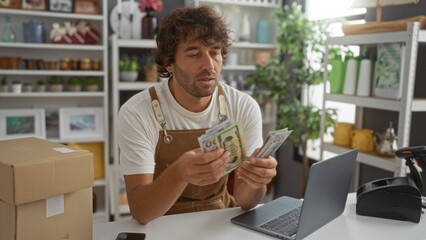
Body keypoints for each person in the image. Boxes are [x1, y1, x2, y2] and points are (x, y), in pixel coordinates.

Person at [117, 5, 278, 225]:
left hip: (218, 221)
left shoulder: (243, 106)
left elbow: (245, 201)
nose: (209, 65)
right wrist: (179, 173)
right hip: (161, 225)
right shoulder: (137, 113)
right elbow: (141, 212)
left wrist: (257, 181)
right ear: (168, 62)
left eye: (215, 52)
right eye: (194, 54)